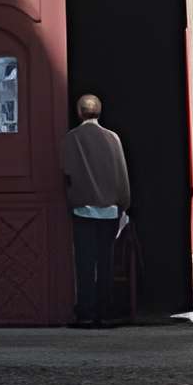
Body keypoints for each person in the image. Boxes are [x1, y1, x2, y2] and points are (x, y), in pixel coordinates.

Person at [60, 92, 130, 329]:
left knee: (85, 263)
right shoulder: (113, 138)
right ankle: (105, 312)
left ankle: (86, 314)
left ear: (79, 112)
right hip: (110, 210)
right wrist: (123, 203)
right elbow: (122, 174)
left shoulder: (72, 138)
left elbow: (67, 172)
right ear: (100, 112)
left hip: (83, 209)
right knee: (106, 263)